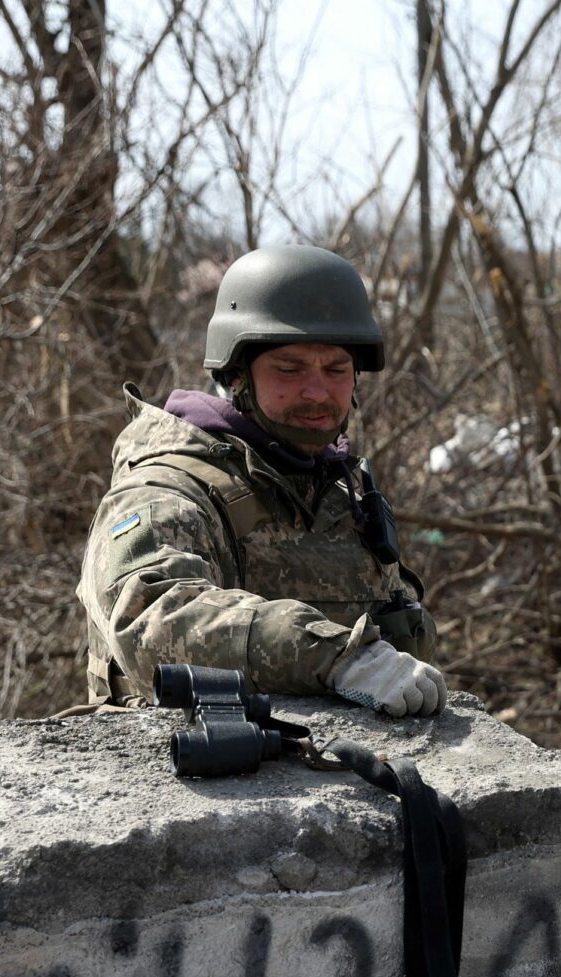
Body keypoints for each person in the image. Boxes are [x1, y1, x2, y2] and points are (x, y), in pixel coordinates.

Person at [78, 245, 445, 716]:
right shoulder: (167, 488)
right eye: (289, 370)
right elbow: (150, 620)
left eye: (336, 370)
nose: (317, 391)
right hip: (192, 772)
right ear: (236, 375)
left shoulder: (337, 492)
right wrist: (335, 655)